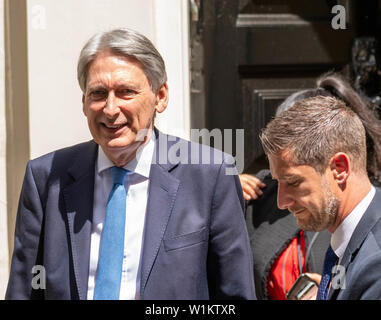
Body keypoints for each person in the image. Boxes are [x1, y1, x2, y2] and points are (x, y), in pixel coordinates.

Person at [5, 28, 255, 300]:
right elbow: (25, 290)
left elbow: (235, 294)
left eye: (126, 92)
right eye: (98, 93)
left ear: (160, 97)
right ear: (84, 102)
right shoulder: (46, 178)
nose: (110, 109)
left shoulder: (210, 175)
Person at [240, 72, 381, 299]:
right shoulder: (349, 235)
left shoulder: (375, 265)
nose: (282, 202)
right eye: (278, 183)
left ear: (340, 168)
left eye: (293, 182)